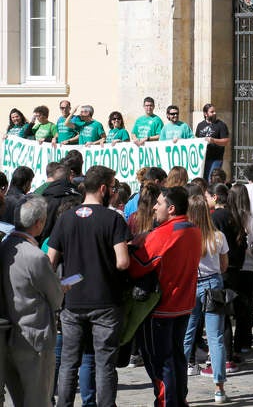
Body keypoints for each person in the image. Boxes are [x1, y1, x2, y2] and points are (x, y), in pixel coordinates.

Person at [48, 166, 131, 407]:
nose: (114, 193)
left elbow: (50, 262)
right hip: (106, 300)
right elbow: (123, 262)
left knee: (68, 362)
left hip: (73, 302)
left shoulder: (66, 218)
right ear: (103, 188)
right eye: (113, 188)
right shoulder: (113, 219)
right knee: (104, 363)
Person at [128, 187, 203, 407]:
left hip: (162, 307)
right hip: (183, 304)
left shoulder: (165, 233)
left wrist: (135, 245)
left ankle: (167, 402)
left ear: (171, 208)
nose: (154, 207)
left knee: (161, 362)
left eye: (158, 203)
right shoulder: (193, 229)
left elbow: (138, 266)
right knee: (177, 357)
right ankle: (179, 400)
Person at [0, 196, 63, 406]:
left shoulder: (5, 246)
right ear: (39, 223)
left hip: (10, 336)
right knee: (38, 399)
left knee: (19, 398)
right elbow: (55, 298)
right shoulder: (35, 256)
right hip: (34, 336)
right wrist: (61, 288)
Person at [184, 194, 230, 403]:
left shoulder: (186, 236)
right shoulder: (218, 236)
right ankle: (219, 388)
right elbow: (223, 266)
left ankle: (179, 387)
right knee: (216, 337)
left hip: (192, 284)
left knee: (187, 334)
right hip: (213, 284)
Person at [196, 103, 231, 180]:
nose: (214, 113)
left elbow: (225, 141)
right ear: (205, 114)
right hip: (202, 159)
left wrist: (213, 140)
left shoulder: (221, 125)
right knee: (202, 179)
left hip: (215, 158)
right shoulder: (200, 125)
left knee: (211, 179)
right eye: (212, 112)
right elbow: (197, 139)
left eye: (214, 111)